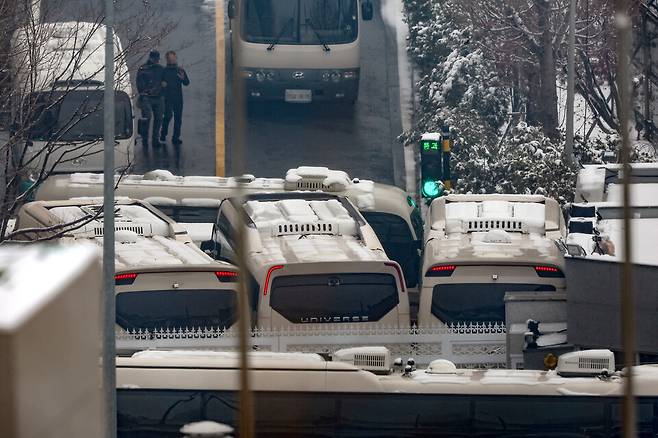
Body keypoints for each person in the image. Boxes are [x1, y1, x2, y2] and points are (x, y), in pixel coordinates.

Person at [136, 50, 165, 148]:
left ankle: (155, 140)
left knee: (159, 119)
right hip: (146, 97)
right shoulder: (143, 69)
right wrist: (144, 93)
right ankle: (145, 139)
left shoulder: (161, 69)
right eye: (155, 59)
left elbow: (165, 81)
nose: (157, 61)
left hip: (159, 97)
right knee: (147, 118)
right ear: (151, 58)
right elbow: (139, 83)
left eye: (157, 59)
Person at [160, 51, 190, 145]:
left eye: (173, 58)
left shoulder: (180, 70)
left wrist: (182, 78)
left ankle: (176, 137)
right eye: (169, 59)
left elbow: (187, 83)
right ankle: (163, 134)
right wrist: (162, 85)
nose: (171, 60)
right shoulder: (164, 71)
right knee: (168, 116)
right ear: (167, 60)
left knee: (178, 118)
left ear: (176, 58)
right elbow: (159, 84)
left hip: (178, 98)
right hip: (167, 98)